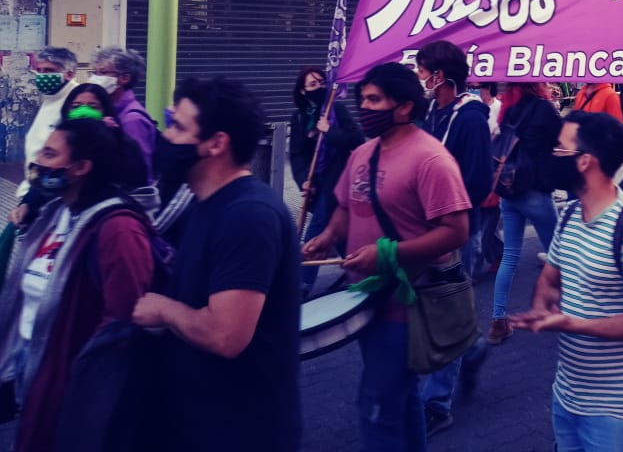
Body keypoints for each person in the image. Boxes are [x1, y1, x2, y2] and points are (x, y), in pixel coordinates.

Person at [303, 63, 471, 452]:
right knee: (403, 396)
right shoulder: (362, 152)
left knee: (377, 406)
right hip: (366, 299)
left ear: (405, 107)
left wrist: (387, 254)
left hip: (408, 306)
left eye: (374, 100)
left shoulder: (432, 160)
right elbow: (346, 205)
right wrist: (328, 236)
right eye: (362, 99)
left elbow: (456, 231)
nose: (363, 107)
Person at [131, 76, 301, 452]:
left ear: (216, 143)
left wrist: (164, 310)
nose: (167, 137)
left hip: (241, 431)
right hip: (200, 422)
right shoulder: (202, 204)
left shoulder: (248, 215)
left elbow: (226, 336)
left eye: (178, 126)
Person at [511, 110, 623, 452]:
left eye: (559, 149)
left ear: (585, 161)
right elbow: (550, 275)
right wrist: (543, 307)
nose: (551, 156)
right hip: (568, 397)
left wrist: (574, 323)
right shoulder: (570, 214)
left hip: (621, 414)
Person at [0, 118, 155, 452]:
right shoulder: (55, 211)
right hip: (33, 366)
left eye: (50, 154)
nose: (38, 161)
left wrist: (80, 385)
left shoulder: (120, 231)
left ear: (81, 167)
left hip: (70, 384)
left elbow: (123, 323)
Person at [413, 41, 492, 433]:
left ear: (440, 76)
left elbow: (477, 181)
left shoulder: (471, 118)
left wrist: (445, 210)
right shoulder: (430, 111)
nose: (419, 77)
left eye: (422, 70)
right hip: (425, 224)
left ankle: (437, 402)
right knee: (439, 307)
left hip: (454, 227)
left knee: (444, 305)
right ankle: (471, 347)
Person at [487, 82, 562, 345]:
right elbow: (561, 140)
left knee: (509, 256)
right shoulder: (545, 109)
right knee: (561, 254)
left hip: (509, 190)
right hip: (535, 192)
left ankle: (498, 320)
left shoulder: (508, 108)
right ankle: (572, 314)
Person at [289, 66, 363, 299]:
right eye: (312, 85)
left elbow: (356, 140)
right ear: (302, 91)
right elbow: (297, 153)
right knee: (339, 234)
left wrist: (329, 130)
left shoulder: (336, 109)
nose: (318, 87)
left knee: (316, 229)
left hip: (338, 180)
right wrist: (303, 181)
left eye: (322, 82)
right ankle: (357, 273)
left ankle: (301, 285)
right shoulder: (300, 117)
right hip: (317, 182)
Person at [59, 83, 148, 190]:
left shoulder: (123, 146)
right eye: (75, 106)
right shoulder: (59, 142)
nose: (83, 112)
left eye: (93, 107)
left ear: (106, 111)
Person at [89, 47, 157, 178]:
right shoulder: (107, 110)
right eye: (94, 73)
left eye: (102, 73)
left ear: (124, 78)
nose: (96, 78)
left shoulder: (132, 119)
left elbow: (140, 169)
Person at [22, 47, 79, 179]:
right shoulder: (52, 96)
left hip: (52, 184)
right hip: (36, 180)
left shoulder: (76, 101)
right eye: (39, 71)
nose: (42, 76)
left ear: (69, 74)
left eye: (49, 70)